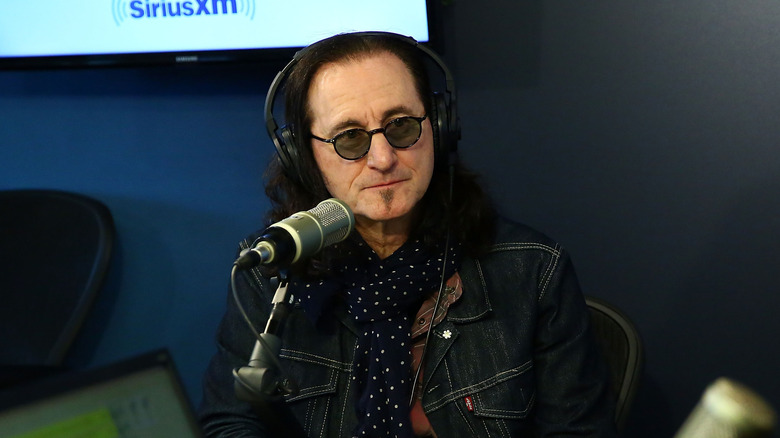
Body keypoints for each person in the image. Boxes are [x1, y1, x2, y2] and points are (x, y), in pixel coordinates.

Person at [199, 31, 617, 437]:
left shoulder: (532, 269)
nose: (382, 158)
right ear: (305, 156)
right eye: (350, 138)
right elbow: (230, 423)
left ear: (439, 126)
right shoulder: (271, 268)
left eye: (400, 126)